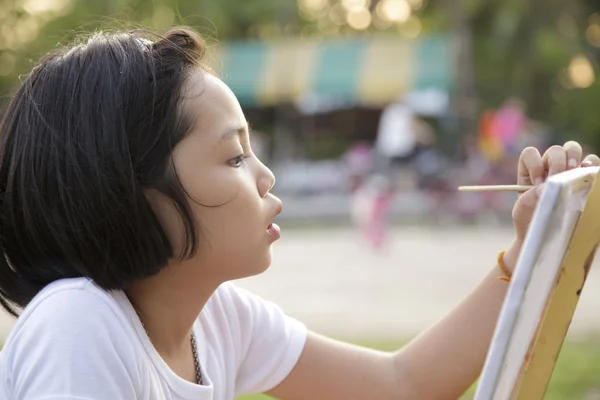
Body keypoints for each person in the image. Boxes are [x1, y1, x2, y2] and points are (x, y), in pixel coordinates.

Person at [0, 27, 597, 400]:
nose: (265, 175)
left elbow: (401, 386)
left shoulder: (216, 321)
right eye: (234, 157)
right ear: (126, 191)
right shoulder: (79, 324)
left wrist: (530, 251)